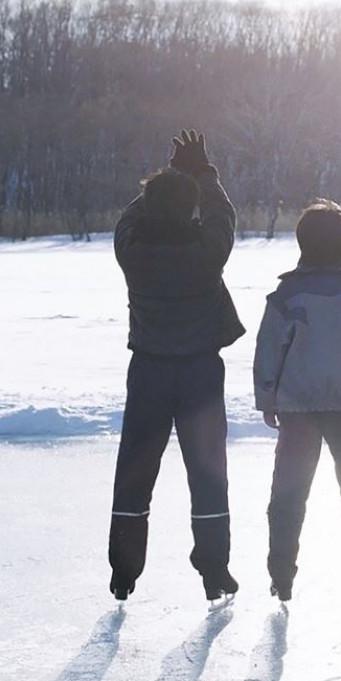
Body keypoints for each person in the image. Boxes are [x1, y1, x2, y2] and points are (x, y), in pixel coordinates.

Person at [108, 129, 245, 603]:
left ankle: (124, 573)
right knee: (207, 472)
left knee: (135, 471)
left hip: (148, 371)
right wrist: (201, 174)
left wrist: (166, 179)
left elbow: (128, 219)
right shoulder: (206, 252)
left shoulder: (132, 252)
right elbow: (224, 217)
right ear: (190, 209)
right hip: (200, 374)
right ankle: (214, 570)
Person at [253, 200, 341, 603]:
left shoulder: (287, 296)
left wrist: (267, 398)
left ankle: (281, 578)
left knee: (289, 498)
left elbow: (268, 351)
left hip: (298, 410)